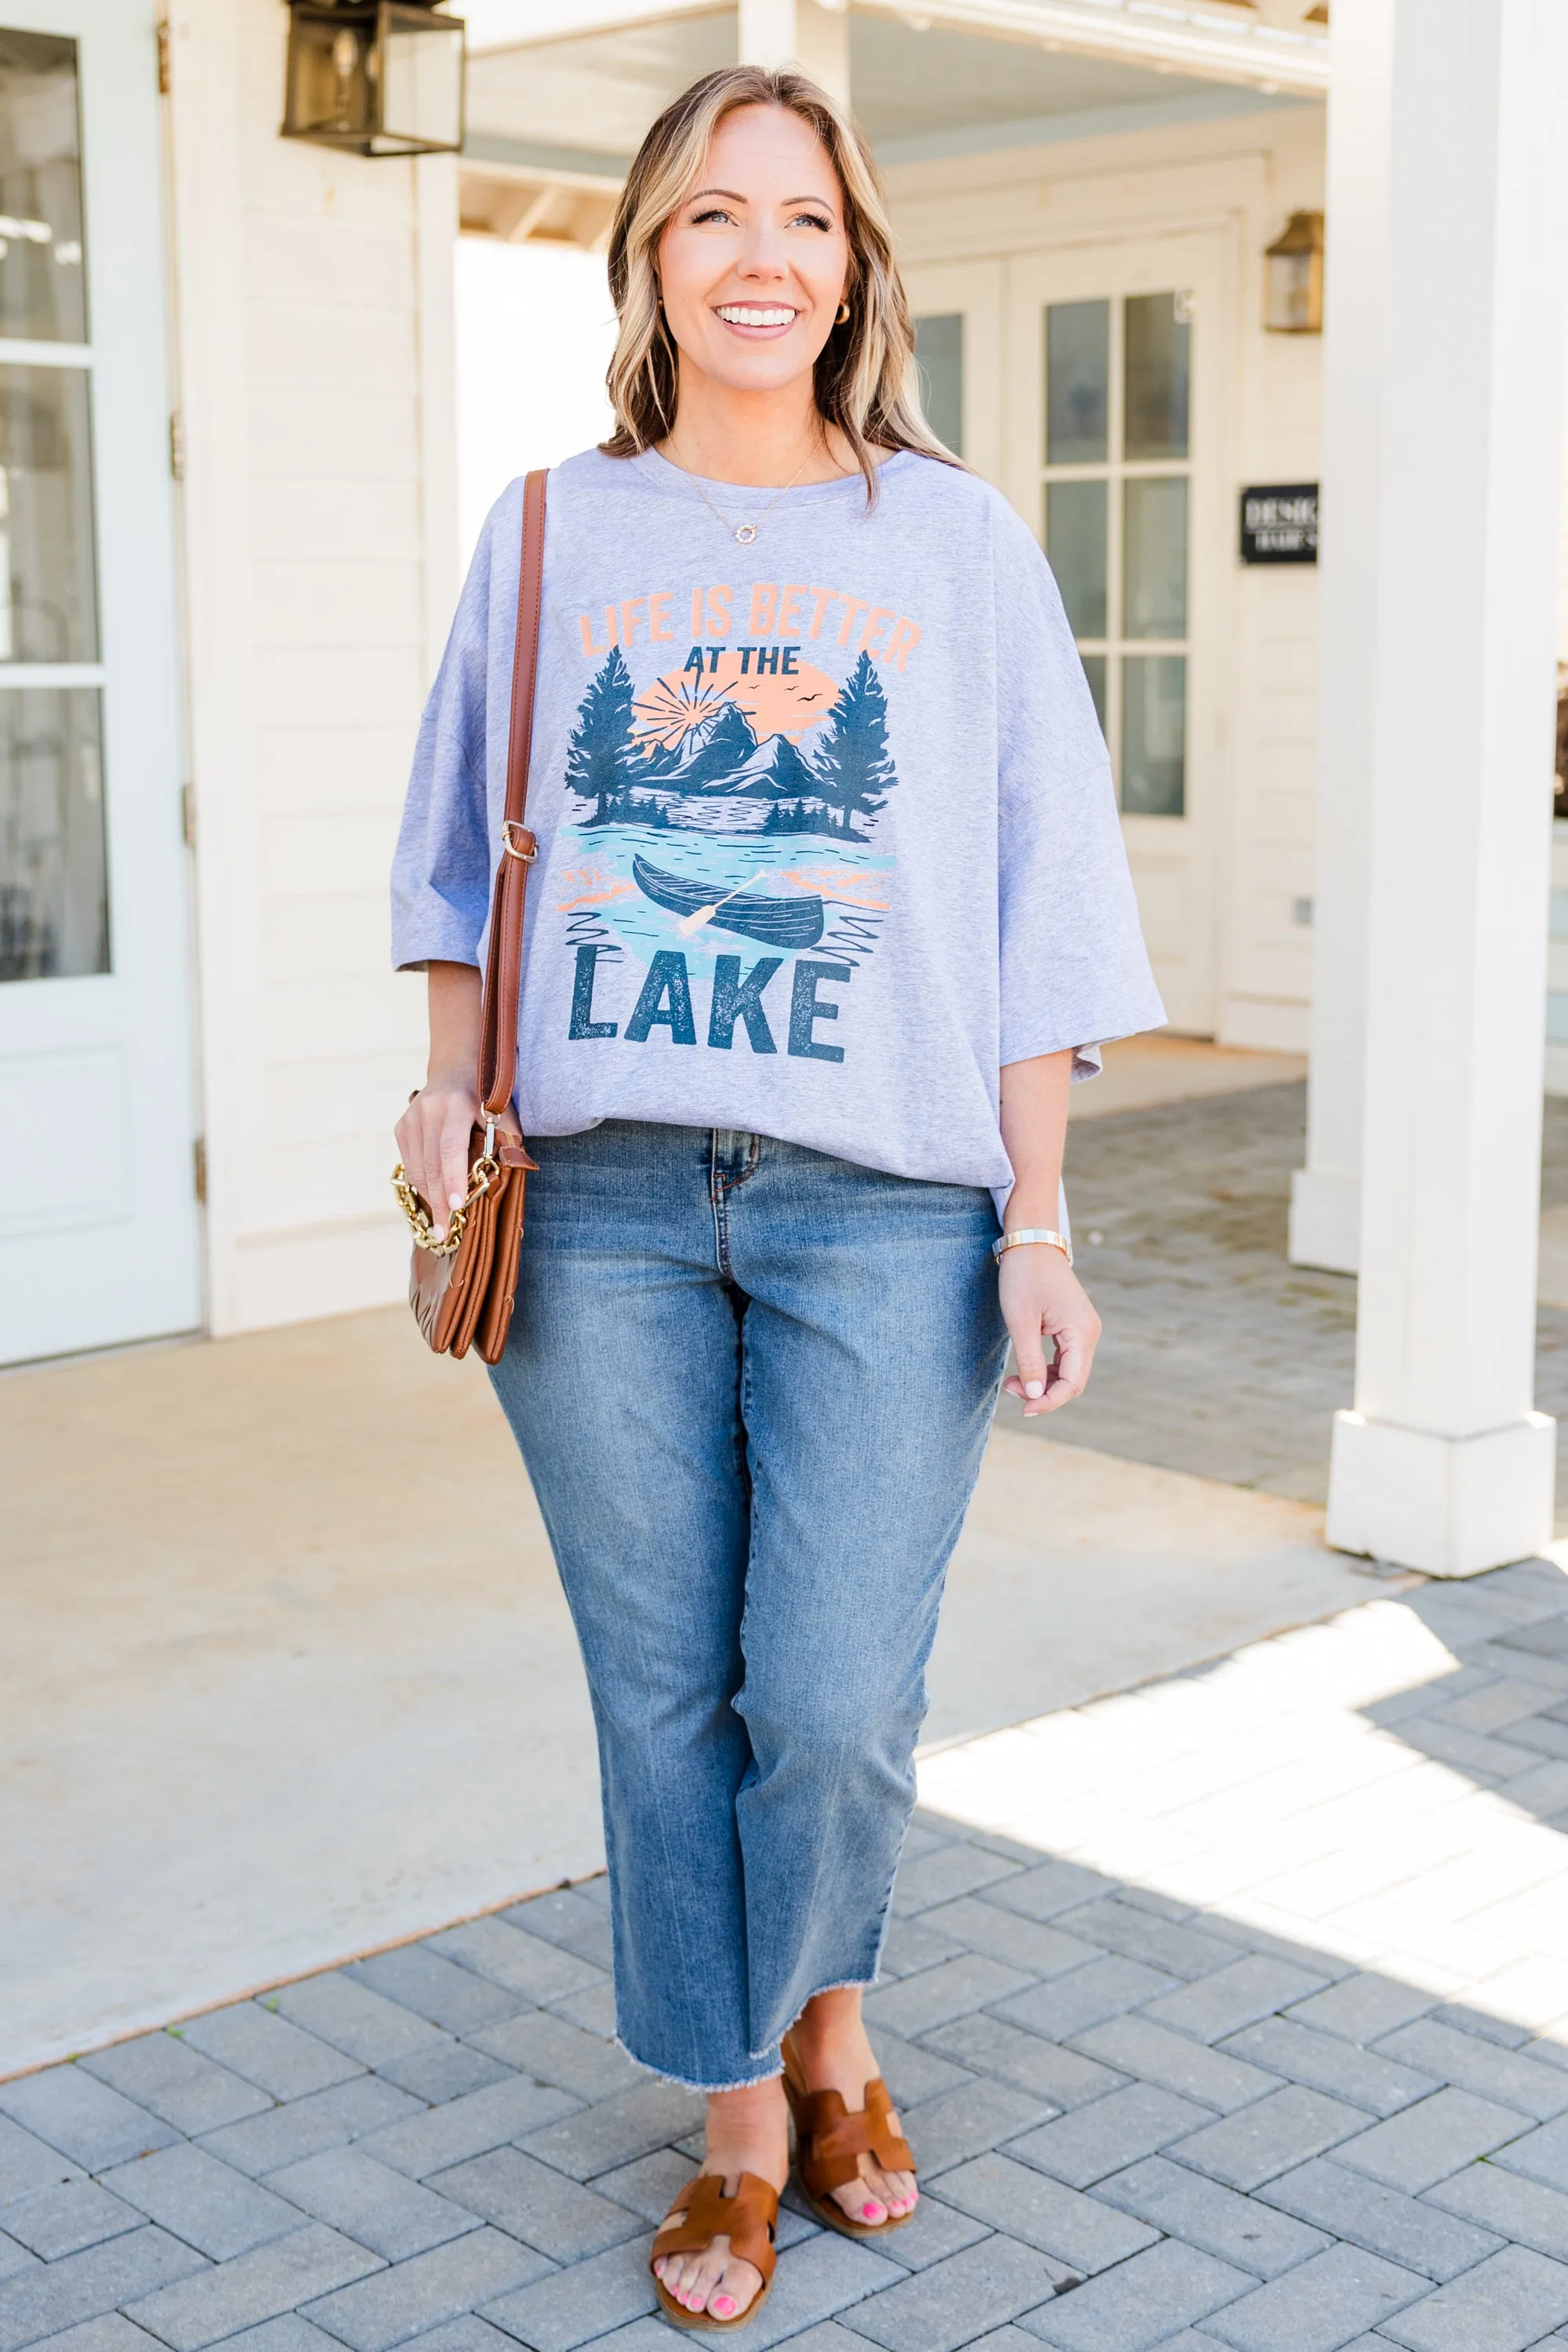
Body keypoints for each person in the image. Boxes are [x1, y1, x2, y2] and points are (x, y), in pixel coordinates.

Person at [392, 62, 1163, 2332]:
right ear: (646, 252)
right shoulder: (547, 533)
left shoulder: (956, 541)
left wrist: (1040, 1215)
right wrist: (448, 1091)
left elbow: (1042, 906)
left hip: (887, 1211)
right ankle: (753, 2099)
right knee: (664, 1690)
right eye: (713, 214)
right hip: (601, 1201)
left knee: (824, 1692)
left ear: (855, 263)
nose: (759, 257)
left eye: (803, 221)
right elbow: (457, 858)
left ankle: (837, 2017)